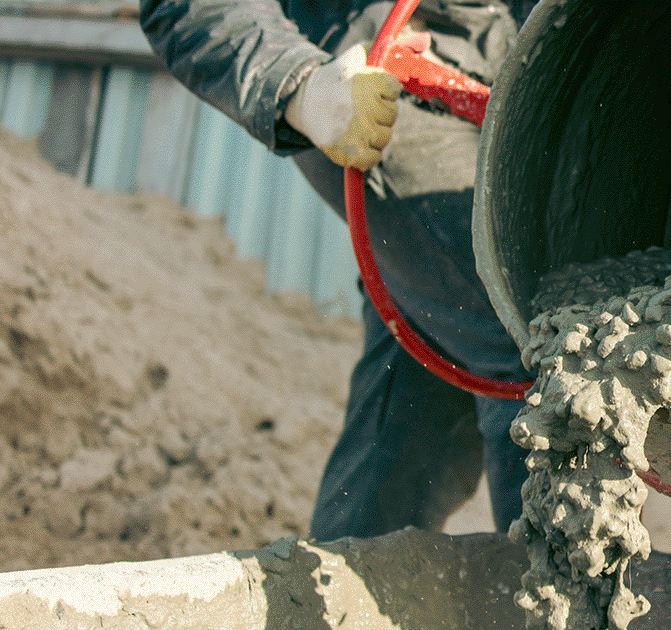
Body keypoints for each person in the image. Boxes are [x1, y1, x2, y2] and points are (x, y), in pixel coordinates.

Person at [139, 0, 536, 539]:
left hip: (515, 71)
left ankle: (349, 598)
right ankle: (575, 600)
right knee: (532, 333)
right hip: (368, 79)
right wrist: (296, 86)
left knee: (422, 376)